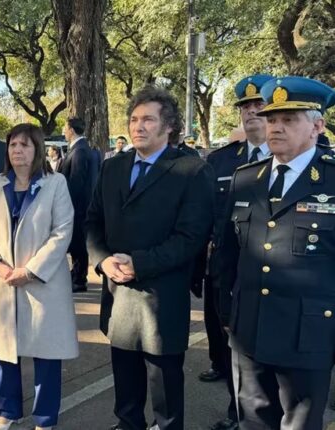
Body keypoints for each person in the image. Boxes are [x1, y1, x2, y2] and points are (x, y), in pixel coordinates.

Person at [86, 86, 214, 430]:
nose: (138, 126)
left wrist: (138, 263)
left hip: (161, 297)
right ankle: (128, 424)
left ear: (169, 126)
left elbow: (190, 238)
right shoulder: (112, 167)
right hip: (118, 292)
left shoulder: (191, 170)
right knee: (125, 379)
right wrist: (102, 260)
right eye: (133, 119)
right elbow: (93, 222)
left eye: (148, 120)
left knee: (164, 385)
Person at [216, 76, 335, 430]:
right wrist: (227, 311)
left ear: (317, 126)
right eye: (271, 119)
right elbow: (226, 254)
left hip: (308, 332)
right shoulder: (245, 179)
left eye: (288, 119)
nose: (276, 127)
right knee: (252, 421)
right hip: (249, 327)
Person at [0, 124, 78, 430]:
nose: (17, 150)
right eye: (13, 145)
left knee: (46, 354)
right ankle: (8, 411)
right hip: (3, 281)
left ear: (38, 149)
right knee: (4, 351)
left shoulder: (55, 183)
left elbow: (62, 231)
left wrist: (31, 270)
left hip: (42, 284)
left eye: (25, 145)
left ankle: (44, 419)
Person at [202, 74, 274, 430]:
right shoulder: (221, 161)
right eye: (245, 106)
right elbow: (206, 216)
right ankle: (237, 413)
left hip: (277, 275)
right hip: (228, 273)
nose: (251, 112)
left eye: (259, 104)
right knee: (233, 350)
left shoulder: (301, 160)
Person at [59, 117, 101, 292]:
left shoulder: (80, 151)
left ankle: (79, 278)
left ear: (71, 129)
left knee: (78, 243)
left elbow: (76, 182)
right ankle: (76, 273)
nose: (63, 131)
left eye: (65, 127)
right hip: (79, 205)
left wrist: (66, 205)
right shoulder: (82, 149)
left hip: (78, 206)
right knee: (77, 242)